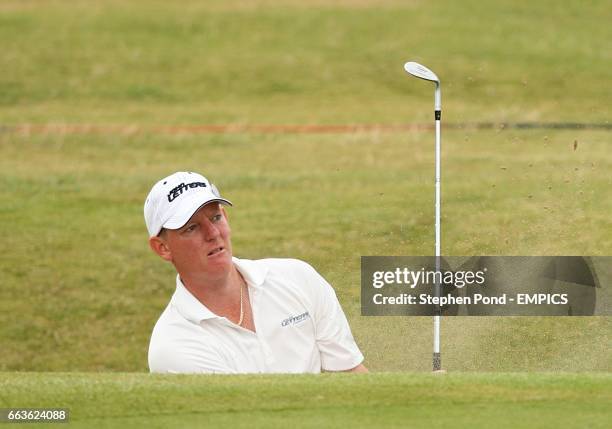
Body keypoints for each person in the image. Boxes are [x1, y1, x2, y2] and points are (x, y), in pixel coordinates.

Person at [144, 171, 367, 374]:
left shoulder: (299, 277)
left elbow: (352, 376)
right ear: (162, 248)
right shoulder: (174, 347)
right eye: (191, 228)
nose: (213, 233)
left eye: (215, 218)